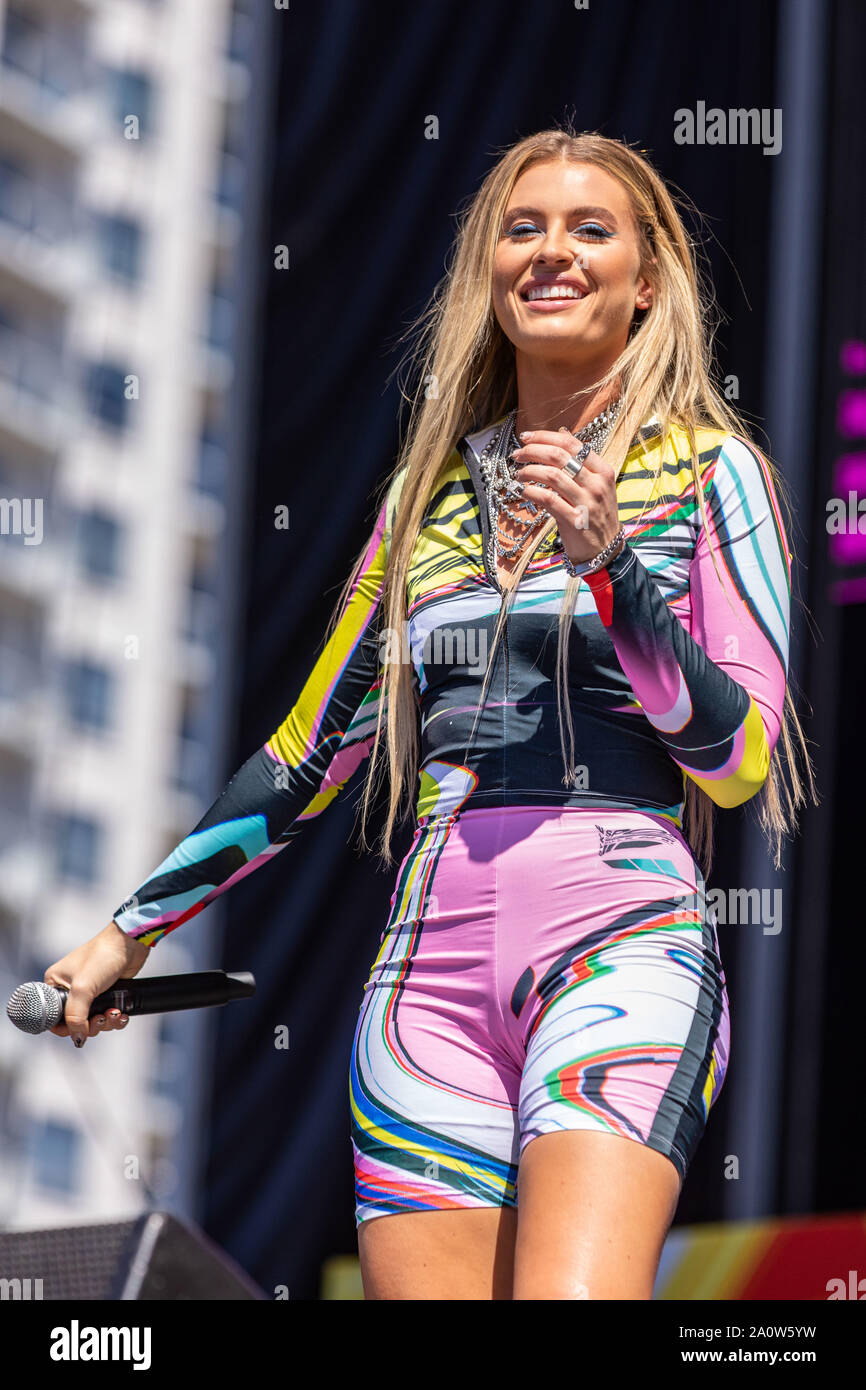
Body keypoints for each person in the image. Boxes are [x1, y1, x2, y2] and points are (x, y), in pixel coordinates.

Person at [44, 127, 814, 1300]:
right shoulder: (423, 497)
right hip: (425, 988)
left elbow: (738, 761)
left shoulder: (716, 475)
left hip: (619, 952)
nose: (551, 252)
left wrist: (611, 567)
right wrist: (126, 933)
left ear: (646, 281)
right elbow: (306, 756)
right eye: (522, 228)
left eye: (588, 229)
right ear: (486, 270)